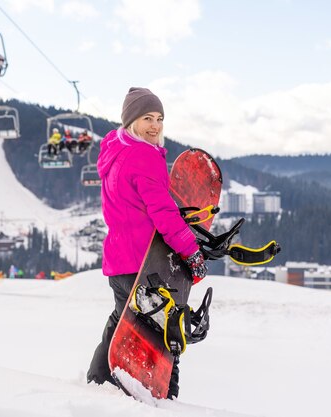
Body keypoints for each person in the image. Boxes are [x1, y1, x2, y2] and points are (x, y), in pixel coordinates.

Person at [86, 87, 207, 400]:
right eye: (147, 118)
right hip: (144, 265)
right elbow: (163, 213)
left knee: (119, 321)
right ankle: (166, 402)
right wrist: (190, 251)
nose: (155, 125)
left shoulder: (115, 151)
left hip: (119, 263)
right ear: (131, 122)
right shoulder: (144, 156)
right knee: (167, 338)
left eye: (159, 119)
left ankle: (96, 383)